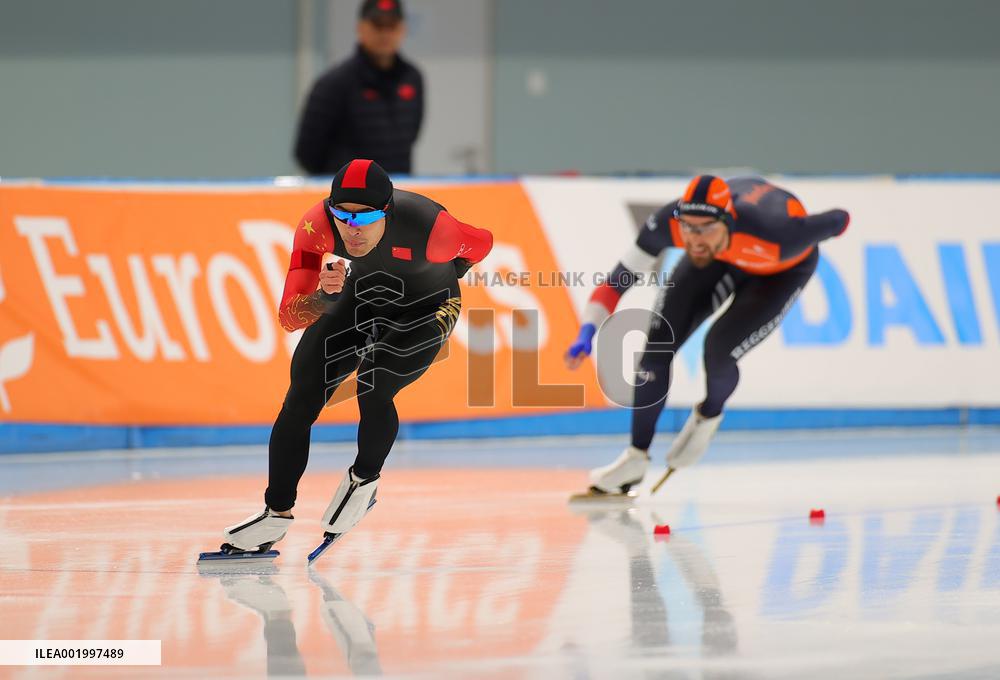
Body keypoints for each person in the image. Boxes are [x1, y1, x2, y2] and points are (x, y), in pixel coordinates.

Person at [214, 159, 492, 557]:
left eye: (366, 217)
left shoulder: (433, 230)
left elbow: (483, 241)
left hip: (428, 307)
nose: (352, 228)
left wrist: (457, 268)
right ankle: (275, 513)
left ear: (389, 211)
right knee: (301, 395)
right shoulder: (317, 226)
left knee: (374, 384)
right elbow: (290, 316)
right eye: (342, 215)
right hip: (361, 299)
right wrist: (325, 298)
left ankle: (363, 480)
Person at [566, 175, 850, 495]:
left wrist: (825, 226)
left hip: (779, 273)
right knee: (656, 348)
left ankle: (708, 415)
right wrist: (587, 329)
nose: (694, 238)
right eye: (688, 227)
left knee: (718, 351)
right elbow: (617, 281)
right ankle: (635, 457)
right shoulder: (670, 225)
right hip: (718, 260)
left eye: (704, 228)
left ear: (728, 221)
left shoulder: (781, 234)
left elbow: (840, 218)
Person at [294, 0, 423, 175]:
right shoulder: (335, 83)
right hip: (349, 197)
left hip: (397, 191)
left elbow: (411, 136)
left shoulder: (412, 78)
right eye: (377, 25)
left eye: (392, 25)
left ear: (402, 29)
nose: (385, 33)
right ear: (361, 28)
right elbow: (307, 152)